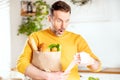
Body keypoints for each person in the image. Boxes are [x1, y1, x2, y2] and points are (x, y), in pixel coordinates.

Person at [17, 1, 101, 80]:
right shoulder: (36, 37)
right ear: (50, 19)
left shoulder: (77, 39)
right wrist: (48, 76)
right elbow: (21, 65)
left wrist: (90, 61)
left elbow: (97, 67)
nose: (63, 26)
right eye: (59, 21)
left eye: (67, 21)